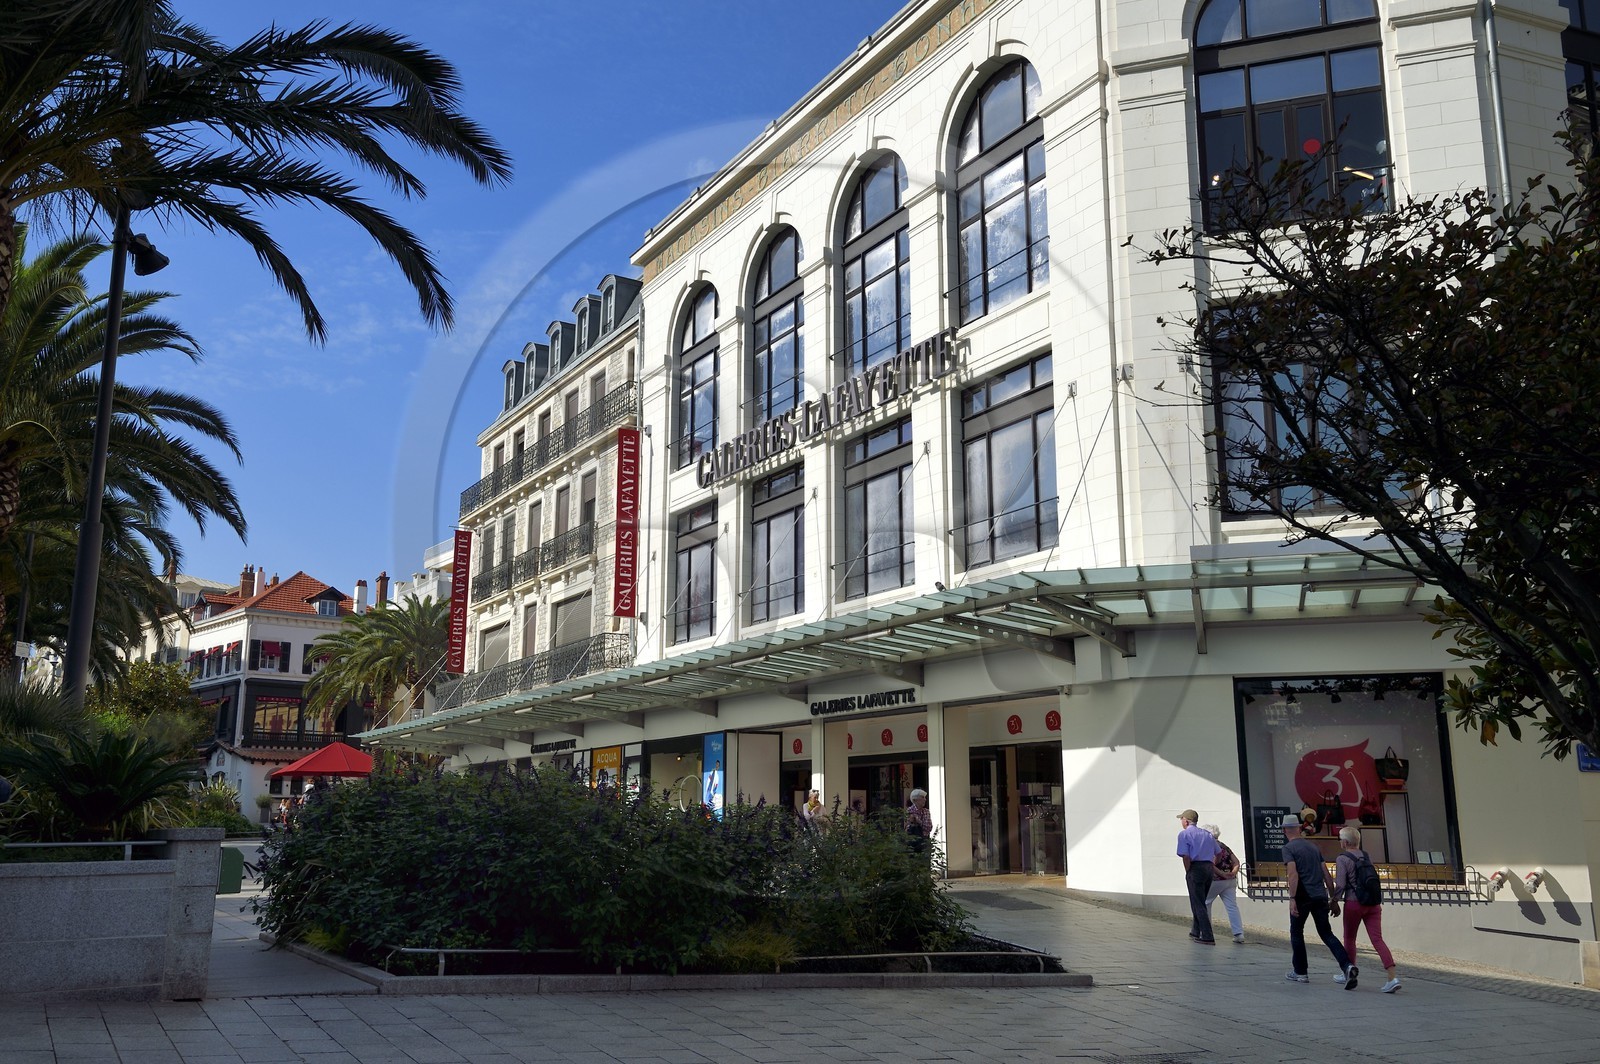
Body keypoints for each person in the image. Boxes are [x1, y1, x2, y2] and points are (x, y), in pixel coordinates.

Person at [1281, 813, 1357, 987]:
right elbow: (1326, 874)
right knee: (1326, 933)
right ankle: (1347, 966)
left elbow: (1293, 874)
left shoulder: (1288, 848)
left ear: (1285, 830)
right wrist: (1333, 899)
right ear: (1299, 828)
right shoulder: (1313, 847)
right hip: (1319, 896)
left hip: (1302, 896)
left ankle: (1300, 972)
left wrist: (1292, 898)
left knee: (1296, 932)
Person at [1335, 825, 1401, 993]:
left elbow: (1341, 884)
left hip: (1353, 903)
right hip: (1373, 903)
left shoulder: (1342, 859)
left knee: (1349, 938)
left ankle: (1349, 972)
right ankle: (1392, 977)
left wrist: (1333, 900)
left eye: (1340, 839)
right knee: (1378, 940)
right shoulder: (1366, 856)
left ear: (1344, 842)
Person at [1176, 808, 1218, 945]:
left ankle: (1207, 935)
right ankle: (1195, 929)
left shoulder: (1184, 834)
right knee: (1200, 899)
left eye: (1182, 819)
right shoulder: (1207, 834)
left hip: (1196, 867)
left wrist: (1188, 870)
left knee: (1198, 902)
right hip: (1208, 867)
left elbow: (1185, 855)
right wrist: (1212, 864)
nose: (1181, 822)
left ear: (1186, 821)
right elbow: (1218, 852)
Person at [1202, 823, 1245, 943]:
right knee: (1232, 906)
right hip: (1230, 881)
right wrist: (1233, 873)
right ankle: (1239, 933)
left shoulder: (1209, 846)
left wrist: (1222, 874)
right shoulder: (1225, 846)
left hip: (1215, 880)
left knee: (1206, 903)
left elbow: (1211, 864)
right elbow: (1236, 861)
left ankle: (1206, 931)